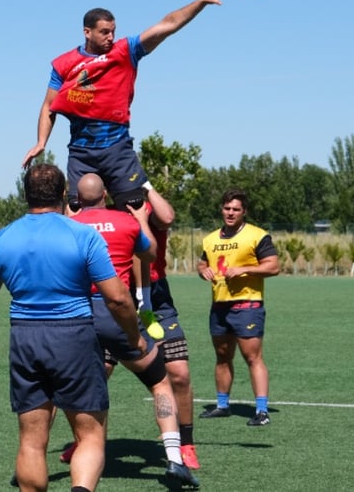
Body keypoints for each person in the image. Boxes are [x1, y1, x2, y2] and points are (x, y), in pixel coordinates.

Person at [0, 163, 144, 492]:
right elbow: (118, 299)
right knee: (90, 436)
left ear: (25, 195)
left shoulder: (2, 239)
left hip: (24, 337)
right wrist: (134, 337)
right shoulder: (82, 235)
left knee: (32, 441)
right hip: (74, 335)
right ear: (65, 194)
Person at [21, 0, 232, 207]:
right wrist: (41, 142)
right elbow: (49, 106)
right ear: (87, 32)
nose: (111, 37)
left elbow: (168, 24)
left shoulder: (126, 51)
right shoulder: (64, 64)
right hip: (81, 152)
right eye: (104, 32)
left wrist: (201, 2)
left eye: (113, 31)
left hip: (117, 149)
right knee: (76, 212)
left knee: (138, 210)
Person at [67, 174, 199, 488]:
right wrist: (139, 219)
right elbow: (150, 252)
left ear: (77, 199)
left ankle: (32, 455)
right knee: (160, 381)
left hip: (78, 315)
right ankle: (174, 459)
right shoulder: (125, 222)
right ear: (105, 195)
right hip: (118, 312)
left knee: (62, 386)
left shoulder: (67, 226)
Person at [197, 189, 280, 426]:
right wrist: (204, 271)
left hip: (247, 305)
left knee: (252, 357)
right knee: (222, 357)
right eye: (227, 208)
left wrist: (244, 269)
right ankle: (222, 405)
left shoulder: (257, 235)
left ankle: (262, 411)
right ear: (221, 209)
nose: (230, 213)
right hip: (219, 306)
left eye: (236, 209)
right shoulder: (211, 239)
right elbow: (202, 263)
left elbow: (273, 266)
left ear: (244, 212)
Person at [138, 186, 200, 469]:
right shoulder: (100, 207)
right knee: (96, 374)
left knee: (180, 373)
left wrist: (147, 187)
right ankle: (84, 441)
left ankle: (185, 444)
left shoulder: (146, 206)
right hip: (113, 295)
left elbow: (168, 217)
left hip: (157, 296)